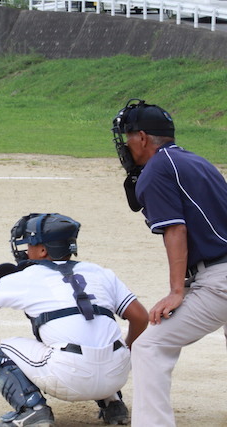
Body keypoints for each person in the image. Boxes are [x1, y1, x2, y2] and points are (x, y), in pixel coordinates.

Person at [0, 213, 149, 426]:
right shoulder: (100, 272)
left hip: (70, 377)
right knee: (100, 343)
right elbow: (140, 316)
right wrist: (126, 350)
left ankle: (32, 409)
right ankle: (113, 404)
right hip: (116, 376)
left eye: (30, 243)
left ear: (43, 251)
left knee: (4, 351)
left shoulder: (30, 276)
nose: (25, 249)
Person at [111, 99, 227, 426]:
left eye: (127, 137)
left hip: (219, 281)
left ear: (143, 138)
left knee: (149, 346)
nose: (125, 145)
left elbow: (176, 228)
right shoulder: (197, 162)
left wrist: (177, 291)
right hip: (219, 274)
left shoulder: (157, 170)